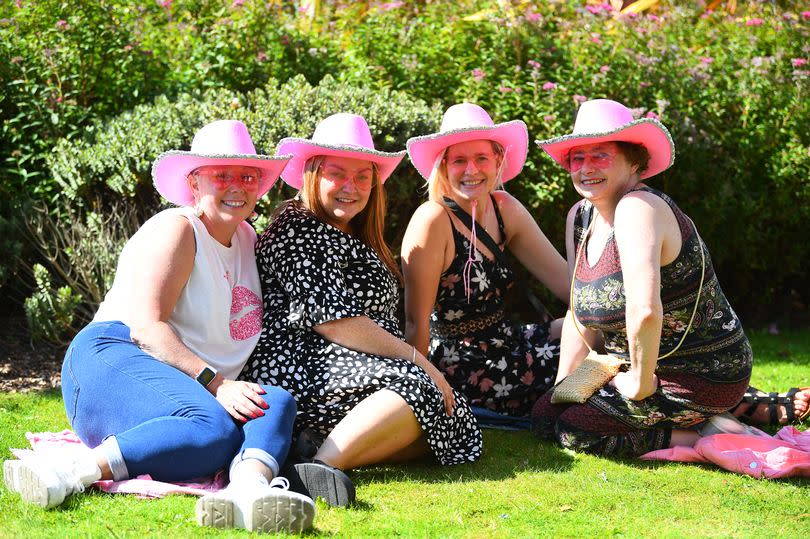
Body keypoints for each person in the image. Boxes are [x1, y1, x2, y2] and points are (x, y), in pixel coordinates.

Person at [3, 120, 318, 534]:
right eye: (221, 175)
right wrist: (218, 384)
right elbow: (147, 328)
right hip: (111, 358)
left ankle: (247, 491)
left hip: (179, 384)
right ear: (193, 183)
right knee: (213, 428)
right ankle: (68, 471)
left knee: (274, 402)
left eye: (248, 176)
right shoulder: (179, 228)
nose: (237, 185)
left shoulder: (247, 239)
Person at [239, 113, 482, 505]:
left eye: (362, 176)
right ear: (313, 173)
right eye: (338, 174)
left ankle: (313, 451)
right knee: (420, 387)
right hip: (303, 365)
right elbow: (336, 323)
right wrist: (422, 361)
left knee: (456, 422)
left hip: (348, 362)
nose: (351, 187)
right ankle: (317, 467)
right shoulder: (296, 227)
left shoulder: (351, 231)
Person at [531, 99, 767, 456]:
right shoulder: (580, 216)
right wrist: (565, 383)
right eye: (577, 158)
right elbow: (578, 313)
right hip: (628, 364)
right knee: (544, 418)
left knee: (576, 430)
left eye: (601, 156)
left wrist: (641, 383)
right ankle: (698, 422)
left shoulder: (638, 209)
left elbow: (643, 310)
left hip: (699, 370)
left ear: (634, 161)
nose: (586, 168)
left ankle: (708, 436)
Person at [400, 103, 570, 420]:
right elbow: (415, 322)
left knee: (578, 328)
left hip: (506, 339)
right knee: (578, 360)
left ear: (497, 160)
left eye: (481, 158)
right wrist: (421, 393)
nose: (472, 170)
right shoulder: (433, 220)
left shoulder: (504, 207)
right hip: (462, 361)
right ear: (443, 165)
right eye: (459, 160)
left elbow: (568, 285)